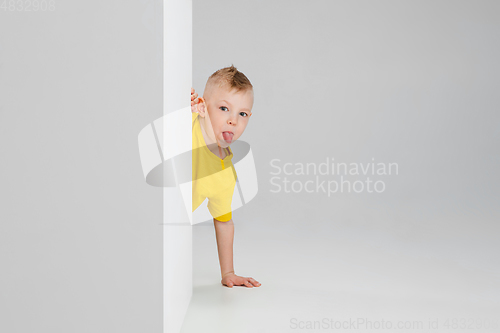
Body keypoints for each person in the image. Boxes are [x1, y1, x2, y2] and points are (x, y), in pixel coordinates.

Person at [190, 65, 261, 288]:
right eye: (223, 108)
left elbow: (224, 223)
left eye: (242, 114)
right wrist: (182, 102)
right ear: (202, 107)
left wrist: (228, 272)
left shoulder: (225, 175)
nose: (233, 120)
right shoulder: (187, 123)